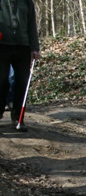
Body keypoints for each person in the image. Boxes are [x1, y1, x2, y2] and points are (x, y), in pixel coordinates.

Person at [0, 0, 39, 131]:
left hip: (23, 46)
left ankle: (18, 118)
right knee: (2, 81)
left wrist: (34, 47)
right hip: (2, 45)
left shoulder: (27, 2)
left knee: (22, 82)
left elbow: (32, 24)